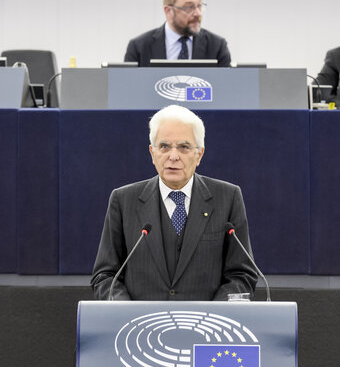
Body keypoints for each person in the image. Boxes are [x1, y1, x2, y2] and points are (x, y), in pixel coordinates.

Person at [91, 105, 257, 301]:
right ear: (152, 153)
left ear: (199, 155)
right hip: (140, 327)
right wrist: (126, 312)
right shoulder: (123, 200)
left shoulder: (228, 198)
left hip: (205, 326)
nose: (173, 156)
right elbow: (105, 276)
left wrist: (213, 315)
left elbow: (242, 275)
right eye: (164, 147)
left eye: (184, 147)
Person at [124, 0, 231, 66]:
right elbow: (128, 89)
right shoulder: (139, 47)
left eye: (199, 6)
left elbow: (224, 90)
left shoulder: (217, 47)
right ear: (168, 11)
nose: (197, 13)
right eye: (189, 7)